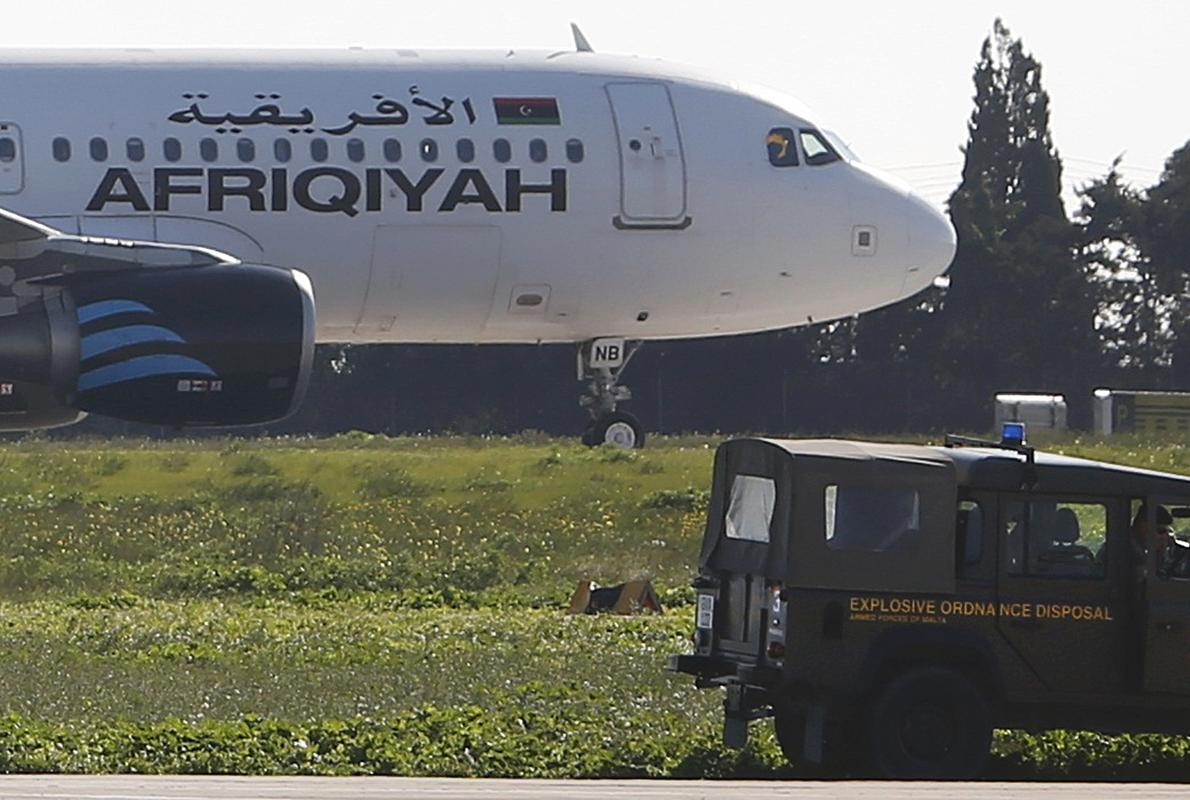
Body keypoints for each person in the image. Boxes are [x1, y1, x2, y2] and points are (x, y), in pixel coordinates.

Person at [1131, 504, 1190, 580]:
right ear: (1143, 527)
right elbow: (1144, 578)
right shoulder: (1127, 547)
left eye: (1168, 531)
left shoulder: (1140, 547)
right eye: (1161, 531)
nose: (1166, 536)